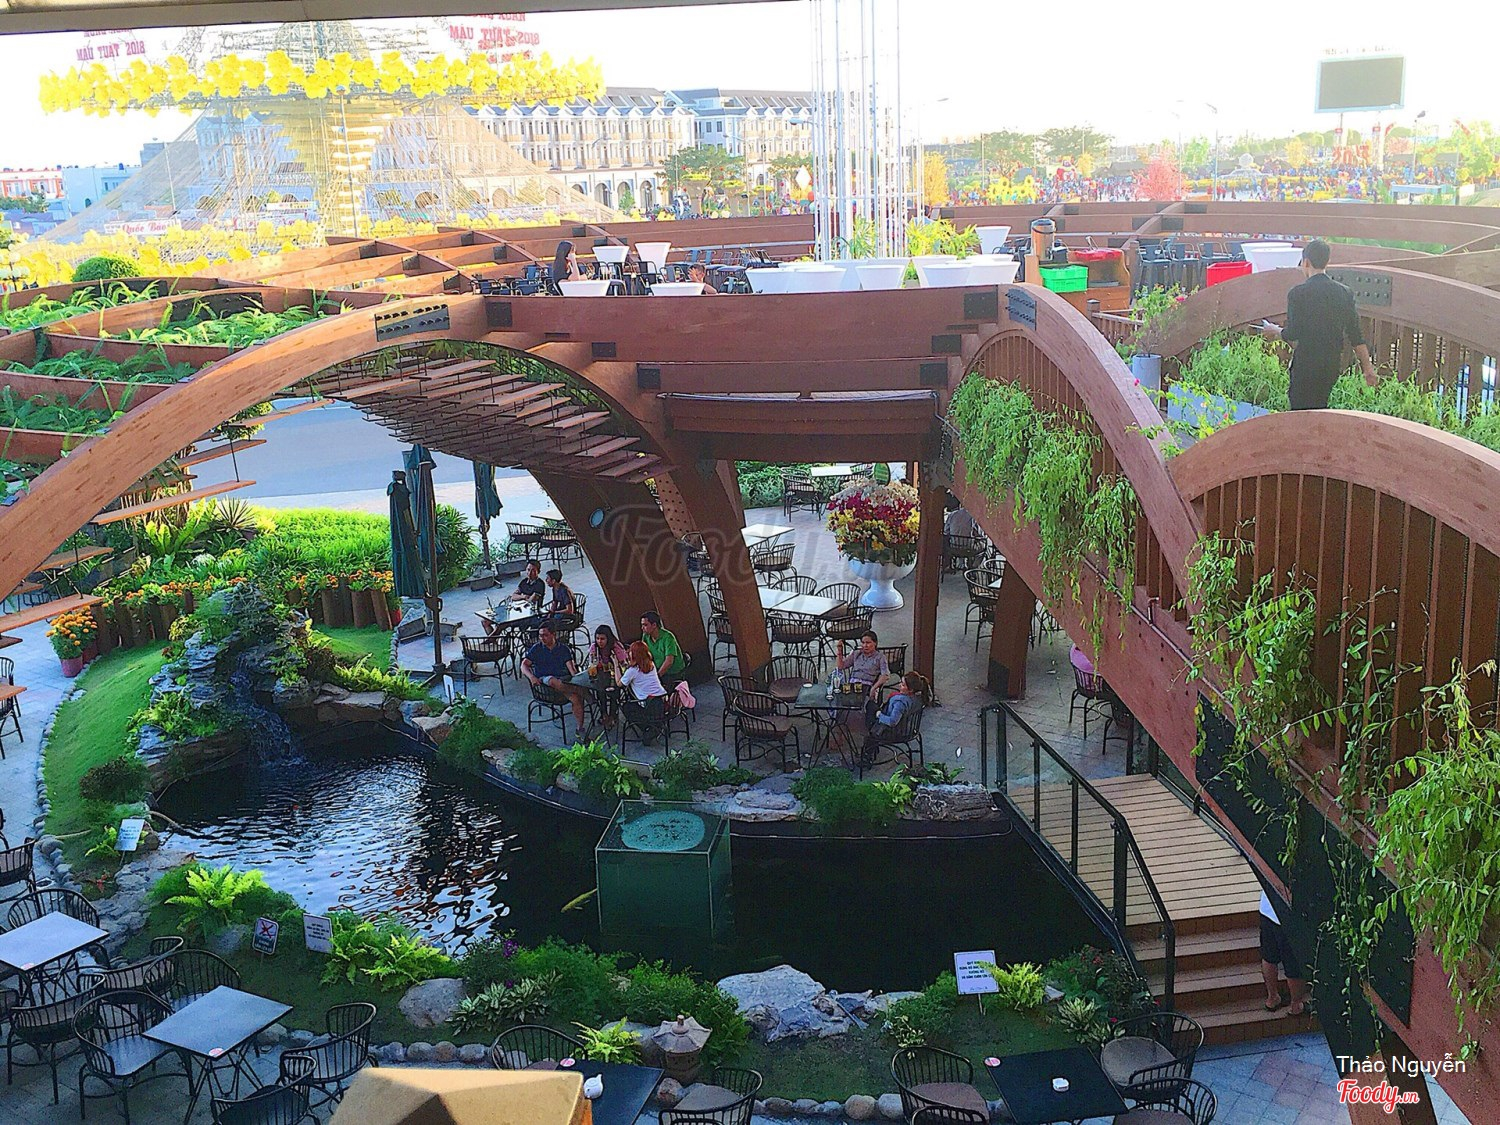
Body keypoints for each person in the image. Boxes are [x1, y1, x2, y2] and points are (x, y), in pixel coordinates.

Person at [1259, 239, 1377, 410]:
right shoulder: (1344, 293)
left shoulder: (1298, 294)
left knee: (1300, 410)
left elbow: (1293, 333)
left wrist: (1275, 330)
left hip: (1305, 363)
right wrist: (1368, 368)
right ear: (1327, 261)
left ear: (1306, 262)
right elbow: (1356, 337)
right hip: (1330, 364)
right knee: (1320, 407)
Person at [521, 624, 588, 732]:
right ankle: (583, 691)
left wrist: (577, 677)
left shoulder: (563, 649)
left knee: (576, 699)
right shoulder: (537, 648)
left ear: (553, 634)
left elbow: (572, 670)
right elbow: (524, 665)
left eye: (545, 635)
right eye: (540, 635)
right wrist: (531, 677)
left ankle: (580, 727)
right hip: (544, 683)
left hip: (563, 682)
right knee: (552, 681)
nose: (542, 638)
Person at [860, 671, 932, 768]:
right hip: (909, 727)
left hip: (895, 731)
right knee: (872, 705)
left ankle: (868, 753)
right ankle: (873, 743)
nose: (899, 685)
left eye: (903, 685)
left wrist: (879, 715)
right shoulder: (919, 698)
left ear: (910, 690)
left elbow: (892, 722)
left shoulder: (900, 702)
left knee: (870, 712)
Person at [1259, 889, 1310, 1016]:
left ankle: (1272, 998)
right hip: (1289, 915)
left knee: (1269, 957)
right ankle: (1296, 1006)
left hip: (1267, 908)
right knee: (1294, 965)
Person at [615, 640, 668, 743]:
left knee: (626, 706)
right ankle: (653, 727)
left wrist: (616, 664)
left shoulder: (632, 671)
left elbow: (619, 683)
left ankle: (648, 728)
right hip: (662, 700)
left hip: (649, 705)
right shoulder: (651, 664)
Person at [835, 631, 891, 697]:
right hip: (852, 686)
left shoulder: (880, 657)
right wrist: (839, 651)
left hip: (867, 686)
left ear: (875, 643)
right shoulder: (857, 653)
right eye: (863, 643)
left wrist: (874, 688)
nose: (865, 645)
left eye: (868, 643)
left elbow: (885, 675)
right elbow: (841, 666)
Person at [640, 610, 684, 685]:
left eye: (645, 625)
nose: (642, 628)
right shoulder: (646, 636)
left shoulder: (668, 637)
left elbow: (669, 661)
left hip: (673, 673)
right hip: (656, 670)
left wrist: (657, 677)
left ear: (654, 625)